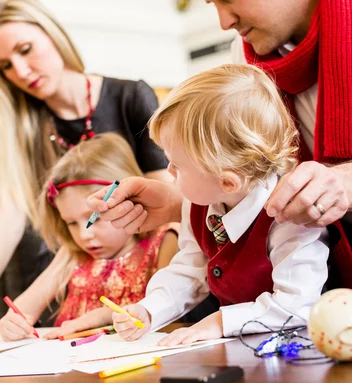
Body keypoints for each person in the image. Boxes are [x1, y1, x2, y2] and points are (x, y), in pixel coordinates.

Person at [91, 0, 352, 314]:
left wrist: (346, 183)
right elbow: (253, 178)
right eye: (212, 2)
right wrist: (181, 199)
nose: (224, 21)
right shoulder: (245, 58)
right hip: (335, 233)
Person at [0, 0, 169, 338]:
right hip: (73, 257)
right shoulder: (22, 127)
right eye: (5, 66)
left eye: (26, 49)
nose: (21, 71)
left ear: (52, 34)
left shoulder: (130, 97)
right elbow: (7, 211)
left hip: (145, 255)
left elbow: (168, 199)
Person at [111, 64, 329, 346]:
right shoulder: (198, 203)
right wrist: (150, 310)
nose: (169, 172)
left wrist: (218, 322)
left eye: (177, 165)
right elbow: (191, 269)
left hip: (302, 349)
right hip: (241, 347)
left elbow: (296, 306)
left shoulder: (291, 216)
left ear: (228, 182)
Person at [0, 133, 177, 341]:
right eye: (71, 223)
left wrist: (100, 317)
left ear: (129, 200)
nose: (84, 235)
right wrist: (12, 322)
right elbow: (22, 310)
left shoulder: (163, 241)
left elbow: (168, 305)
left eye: (95, 219)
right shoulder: (72, 253)